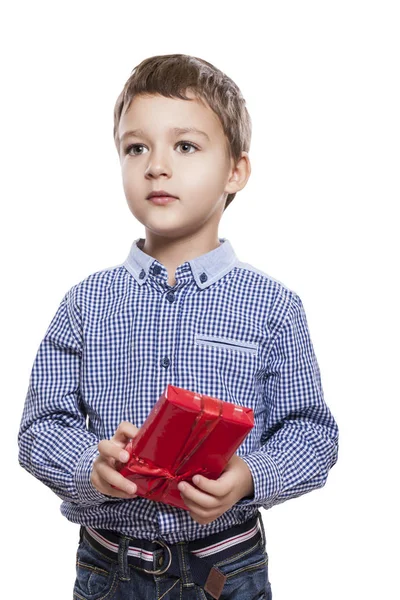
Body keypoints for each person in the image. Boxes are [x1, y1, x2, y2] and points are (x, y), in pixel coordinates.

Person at [18, 53, 339, 600]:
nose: (156, 166)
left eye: (185, 146)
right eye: (136, 147)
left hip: (224, 567)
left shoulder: (273, 306)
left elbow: (312, 435)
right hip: (110, 564)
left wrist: (249, 477)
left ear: (235, 170)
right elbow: (39, 428)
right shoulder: (85, 303)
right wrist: (90, 468)